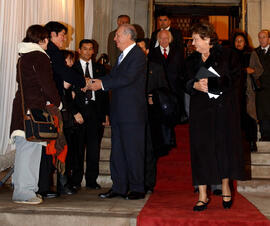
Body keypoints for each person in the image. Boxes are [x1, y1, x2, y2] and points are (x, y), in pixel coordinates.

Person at [185, 22, 245, 211]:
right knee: (200, 151)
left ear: (207, 39)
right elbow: (181, 80)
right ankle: (203, 194)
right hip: (200, 112)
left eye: (195, 39)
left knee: (222, 149)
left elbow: (236, 79)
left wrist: (212, 83)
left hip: (223, 110)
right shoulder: (192, 60)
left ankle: (225, 185)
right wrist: (193, 85)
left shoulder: (228, 55)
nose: (193, 43)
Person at [90, 24, 147, 200]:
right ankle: (119, 187)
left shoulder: (137, 55)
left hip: (132, 114)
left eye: (117, 36)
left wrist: (101, 84)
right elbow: (114, 77)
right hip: (119, 112)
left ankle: (137, 187)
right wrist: (95, 81)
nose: (114, 39)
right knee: (118, 152)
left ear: (128, 36)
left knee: (133, 151)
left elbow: (126, 78)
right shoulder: (123, 55)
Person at [10, 24, 61, 204]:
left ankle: (22, 188)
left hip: (24, 109)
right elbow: (47, 84)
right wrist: (58, 102)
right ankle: (24, 192)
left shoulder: (24, 57)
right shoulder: (39, 56)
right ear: (44, 39)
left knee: (26, 150)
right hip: (33, 112)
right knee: (29, 152)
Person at [40, 21, 86, 196]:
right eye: (62, 35)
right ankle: (43, 188)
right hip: (49, 106)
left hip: (49, 105)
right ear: (52, 35)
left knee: (51, 146)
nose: (65, 38)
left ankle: (45, 187)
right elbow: (64, 73)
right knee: (50, 147)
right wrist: (85, 82)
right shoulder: (52, 52)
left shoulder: (47, 51)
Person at [68, 39, 109, 190]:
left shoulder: (100, 68)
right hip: (78, 111)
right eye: (84, 48)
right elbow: (67, 91)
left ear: (94, 51)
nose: (87, 51)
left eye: (90, 49)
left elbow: (105, 93)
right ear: (79, 50)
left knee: (94, 148)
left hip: (95, 111)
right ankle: (75, 180)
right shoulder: (72, 68)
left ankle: (92, 180)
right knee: (77, 148)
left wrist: (105, 113)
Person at [136, 38, 168, 193]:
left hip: (151, 115)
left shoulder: (156, 67)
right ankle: (134, 182)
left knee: (149, 150)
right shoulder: (129, 67)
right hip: (133, 114)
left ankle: (148, 183)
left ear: (147, 51)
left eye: (142, 48)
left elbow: (164, 90)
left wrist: (152, 97)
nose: (139, 51)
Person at [232, 31, 263, 152]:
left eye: (241, 41)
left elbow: (260, 70)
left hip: (247, 91)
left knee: (250, 117)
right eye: (236, 41)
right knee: (236, 118)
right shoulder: (230, 54)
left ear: (245, 42)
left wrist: (252, 70)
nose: (238, 43)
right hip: (234, 91)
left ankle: (252, 142)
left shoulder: (251, 53)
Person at [254, 30, 270, 141]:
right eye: (260, 37)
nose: (261, 39)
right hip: (260, 88)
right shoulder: (254, 52)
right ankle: (264, 135)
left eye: (264, 37)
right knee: (262, 113)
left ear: (269, 38)